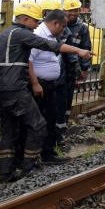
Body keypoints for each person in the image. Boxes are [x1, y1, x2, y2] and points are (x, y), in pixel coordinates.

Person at [0, 1, 91, 183]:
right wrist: (78, 50)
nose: (37, 24)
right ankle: (28, 170)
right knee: (38, 125)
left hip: (1, 89)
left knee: (9, 131)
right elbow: (48, 45)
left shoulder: (5, 33)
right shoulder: (22, 33)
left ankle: (5, 174)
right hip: (15, 88)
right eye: (35, 20)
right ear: (25, 19)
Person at [30, 9, 71, 164]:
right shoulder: (39, 34)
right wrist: (35, 83)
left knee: (51, 118)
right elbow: (29, 60)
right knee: (40, 120)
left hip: (49, 85)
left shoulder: (50, 35)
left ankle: (48, 154)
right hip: (40, 86)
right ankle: (35, 155)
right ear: (55, 23)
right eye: (63, 26)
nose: (63, 30)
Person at [62, 0, 91, 134]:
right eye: (70, 10)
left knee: (67, 98)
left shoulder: (82, 28)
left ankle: (64, 124)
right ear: (64, 10)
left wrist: (84, 69)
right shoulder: (59, 24)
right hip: (59, 67)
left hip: (72, 68)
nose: (73, 13)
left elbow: (86, 48)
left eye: (76, 10)